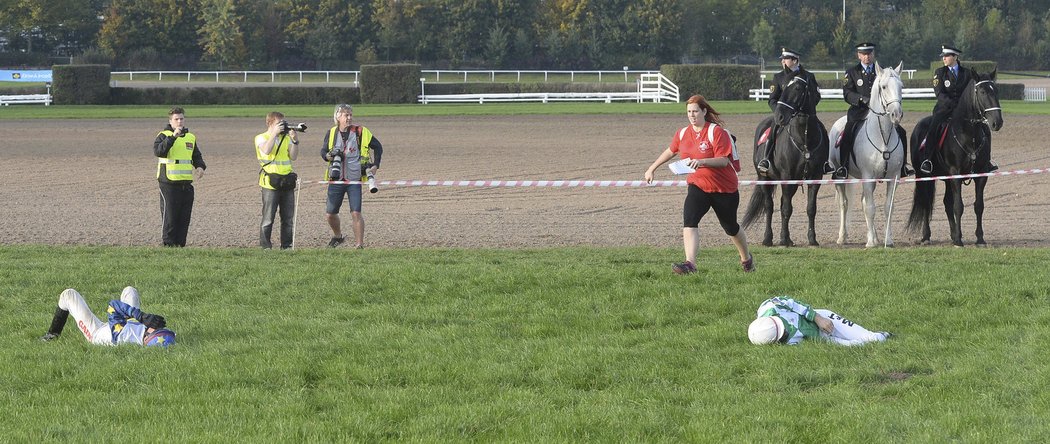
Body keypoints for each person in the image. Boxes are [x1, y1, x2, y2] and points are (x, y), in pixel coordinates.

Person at [644, 94, 754, 275]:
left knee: (731, 227)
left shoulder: (715, 132)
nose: (692, 115)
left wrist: (702, 162)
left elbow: (723, 161)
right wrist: (652, 168)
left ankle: (747, 259)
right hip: (698, 185)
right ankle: (690, 264)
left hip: (724, 188)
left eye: (695, 111)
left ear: (704, 111)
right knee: (690, 219)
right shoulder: (682, 133)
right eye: (688, 112)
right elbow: (671, 150)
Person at [833, 42, 912, 179]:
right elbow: (847, 93)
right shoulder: (852, 72)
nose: (867, 57)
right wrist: (862, 99)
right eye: (864, 54)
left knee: (902, 132)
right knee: (848, 132)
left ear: (873, 55)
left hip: (881, 112)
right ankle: (843, 167)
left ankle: (903, 166)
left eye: (869, 54)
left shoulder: (881, 73)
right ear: (859, 55)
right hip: (859, 112)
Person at [920, 45, 997, 174]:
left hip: (964, 111)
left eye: (947, 56)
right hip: (944, 109)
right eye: (943, 56)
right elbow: (939, 94)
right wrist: (954, 104)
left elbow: (970, 93)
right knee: (934, 127)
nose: (944, 58)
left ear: (955, 57)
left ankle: (986, 161)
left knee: (984, 128)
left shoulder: (967, 73)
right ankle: (928, 160)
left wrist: (964, 106)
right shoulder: (940, 73)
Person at [321, 103, 384, 249]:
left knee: (356, 212)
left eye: (350, 115)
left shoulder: (361, 131)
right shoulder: (331, 133)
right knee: (330, 214)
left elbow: (378, 146)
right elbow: (323, 152)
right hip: (335, 179)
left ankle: (359, 245)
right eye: (345, 115)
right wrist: (329, 156)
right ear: (337, 116)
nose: (349, 118)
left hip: (354, 179)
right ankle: (338, 236)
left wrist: (375, 165)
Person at [40, 286, 176, 347]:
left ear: (149, 337)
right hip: (120, 325)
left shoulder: (125, 335)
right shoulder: (144, 338)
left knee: (68, 294)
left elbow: (113, 306)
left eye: (157, 331)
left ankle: (52, 335)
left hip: (97, 332)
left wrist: (140, 316)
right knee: (130, 291)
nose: (157, 327)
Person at [757, 48, 821, 175]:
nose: (782, 61)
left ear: (795, 60)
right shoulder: (779, 77)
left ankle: (824, 162)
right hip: (784, 115)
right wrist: (779, 112)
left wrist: (806, 107)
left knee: (821, 129)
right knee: (773, 129)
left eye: (785, 59)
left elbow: (816, 96)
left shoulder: (809, 76)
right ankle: (766, 158)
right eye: (782, 59)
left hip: (805, 115)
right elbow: (772, 100)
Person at [153, 106, 206, 247]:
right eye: (176, 119)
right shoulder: (163, 135)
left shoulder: (190, 137)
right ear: (170, 121)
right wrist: (173, 137)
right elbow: (159, 151)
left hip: (186, 184)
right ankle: (168, 245)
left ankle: (180, 246)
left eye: (181, 119)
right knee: (170, 217)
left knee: (184, 218)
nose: (179, 121)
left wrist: (200, 166)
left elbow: (196, 155)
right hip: (168, 183)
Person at [747, 296, 891, 346]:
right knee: (855, 346)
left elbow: (794, 303)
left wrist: (818, 318)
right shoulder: (775, 341)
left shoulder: (771, 306)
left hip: (824, 319)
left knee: (871, 339)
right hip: (821, 339)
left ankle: (883, 335)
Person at [256, 111, 301, 249]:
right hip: (270, 183)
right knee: (268, 218)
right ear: (270, 123)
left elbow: (293, 156)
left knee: (288, 218)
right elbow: (266, 150)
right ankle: (266, 247)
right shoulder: (260, 137)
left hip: (286, 181)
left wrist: (294, 140)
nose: (282, 126)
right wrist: (274, 134)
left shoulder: (285, 138)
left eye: (283, 123)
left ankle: (286, 246)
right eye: (279, 124)